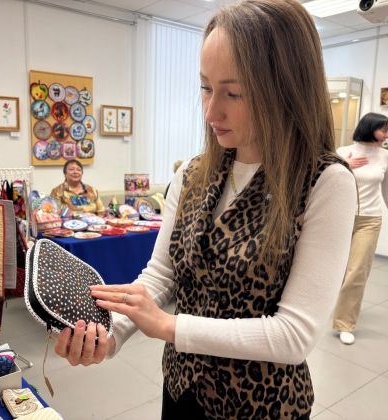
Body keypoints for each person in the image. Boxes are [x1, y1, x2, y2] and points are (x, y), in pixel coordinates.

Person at [54, 1, 356, 418]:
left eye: (234, 93)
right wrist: (111, 333)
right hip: (182, 390)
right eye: (205, 87)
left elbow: (294, 335)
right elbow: (162, 274)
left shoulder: (324, 182)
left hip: (261, 406)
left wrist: (169, 325)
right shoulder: (194, 173)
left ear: (285, 89)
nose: (212, 111)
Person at [333, 113, 388, 345]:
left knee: (357, 271)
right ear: (369, 128)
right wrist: (343, 165)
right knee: (337, 269)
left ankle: (344, 323)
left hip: (370, 219)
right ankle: (329, 305)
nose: (386, 135)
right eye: (383, 130)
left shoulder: (385, 157)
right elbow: (326, 180)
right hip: (342, 217)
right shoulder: (343, 152)